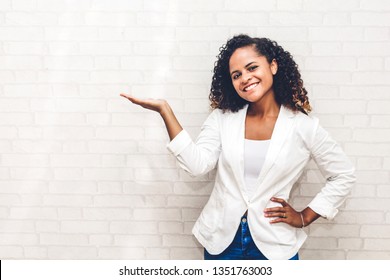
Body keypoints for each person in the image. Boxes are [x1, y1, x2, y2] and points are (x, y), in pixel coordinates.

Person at [120, 34, 355, 260]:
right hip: (222, 243)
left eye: (252, 68)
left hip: (274, 245)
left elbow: (343, 174)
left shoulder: (304, 127)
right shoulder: (222, 119)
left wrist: (305, 216)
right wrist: (165, 111)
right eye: (236, 74)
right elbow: (197, 166)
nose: (245, 78)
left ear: (273, 66)